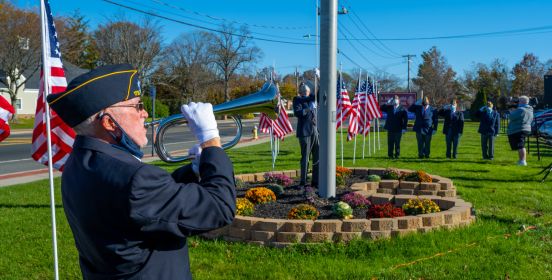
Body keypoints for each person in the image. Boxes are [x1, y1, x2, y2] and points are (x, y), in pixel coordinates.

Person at [46, 64, 236, 279]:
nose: (144, 113)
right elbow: (220, 208)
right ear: (109, 123)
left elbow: (141, 203)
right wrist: (211, 140)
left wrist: (193, 170)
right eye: (137, 106)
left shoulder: (79, 162)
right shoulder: (135, 180)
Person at [292, 83, 319, 189]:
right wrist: (308, 109)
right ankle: (303, 181)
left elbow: (317, 95)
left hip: (314, 130)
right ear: (300, 91)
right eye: (303, 89)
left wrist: (320, 81)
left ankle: (315, 180)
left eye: (307, 89)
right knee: (305, 156)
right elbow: (297, 112)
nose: (305, 90)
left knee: (317, 155)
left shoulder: (312, 99)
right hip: (304, 132)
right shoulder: (297, 99)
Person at [507, 95, 534, 166]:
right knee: (521, 145)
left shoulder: (521, 109)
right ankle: (521, 160)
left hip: (519, 129)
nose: (517, 102)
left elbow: (511, 117)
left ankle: (522, 161)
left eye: (519, 101)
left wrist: (511, 111)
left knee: (520, 146)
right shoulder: (530, 109)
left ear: (522, 101)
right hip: (526, 128)